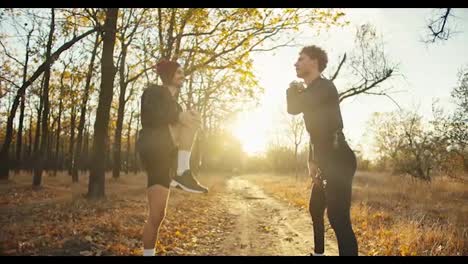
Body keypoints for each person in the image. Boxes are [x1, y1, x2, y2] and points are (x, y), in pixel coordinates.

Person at [286, 45, 359, 256]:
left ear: (315, 61)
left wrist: (292, 87)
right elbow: (315, 133)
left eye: (301, 59)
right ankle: (319, 253)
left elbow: (293, 108)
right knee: (315, 208)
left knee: (338, 218)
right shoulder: (312, 92)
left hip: (338, 158)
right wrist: (312, 161)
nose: (296, 63)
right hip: (325, 159)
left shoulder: (325, 87)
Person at [137, 59, 208, 256]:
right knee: (191, 120)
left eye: (183, 73)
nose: (183, 76)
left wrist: (181, 116)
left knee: (158, 215)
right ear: (168, 75)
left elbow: (177, 122)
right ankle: (182, 171)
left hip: (166, 156)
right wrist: (180, 117)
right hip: (153, 147)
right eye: (178, 73)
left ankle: (148, 254)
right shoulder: (153, 92)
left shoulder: (175, 105)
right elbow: (151, 116)